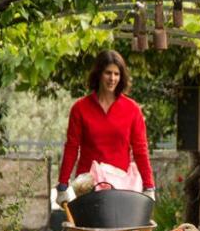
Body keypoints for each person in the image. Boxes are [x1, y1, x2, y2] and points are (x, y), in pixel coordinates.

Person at [55, 49, 156, 200]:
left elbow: (140, 150)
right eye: (108, 73)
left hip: (121, 186)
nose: (112, 78)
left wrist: (149, 186)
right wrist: (62, 185)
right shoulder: (80, 108)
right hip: (88, 187)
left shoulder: (132, 109)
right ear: (98, 74)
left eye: (117, 74)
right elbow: (71, 147)